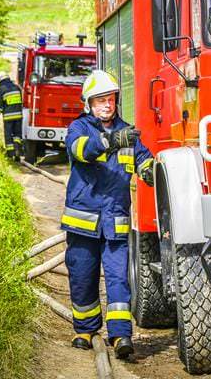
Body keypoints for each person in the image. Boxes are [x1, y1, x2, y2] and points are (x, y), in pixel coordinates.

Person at [62, 70, 155, 360]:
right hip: (83, 223)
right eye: (100, 100)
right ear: (88, 104)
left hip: (115, 222)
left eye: (111, 99)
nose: (107, 105)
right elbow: (81, 151)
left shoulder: (128, 133)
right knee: (82, 275)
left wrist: (151, 169)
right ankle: (85, 330)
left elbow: (143, 159)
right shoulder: (78, 129)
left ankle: (120, 336)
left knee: (118, 280)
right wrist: (111, 141)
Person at [0, 71, 23, 159]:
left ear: (0, 80)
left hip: (8, 116)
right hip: (18, 116)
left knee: (8, 135)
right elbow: (21, 101)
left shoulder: (1, 89)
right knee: (17, 134)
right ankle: (17, 149)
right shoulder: (17, 87)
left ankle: (10, 154)